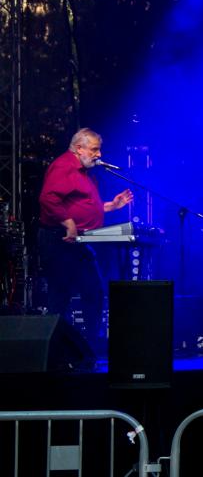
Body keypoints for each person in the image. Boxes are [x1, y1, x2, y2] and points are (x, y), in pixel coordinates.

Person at [37, 128, 133, 346]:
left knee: (93, 292)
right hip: (60, 239)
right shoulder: (64, 166)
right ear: (79, 149)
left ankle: (87, 348)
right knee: (60, 295)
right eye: (94, 150)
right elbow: (48, 199)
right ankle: (55, 350)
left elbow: (81, 205)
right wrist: (68, 223)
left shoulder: (83, 172)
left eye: (99, 150)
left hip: (78, 242)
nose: (99, 154)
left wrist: (111, 206)